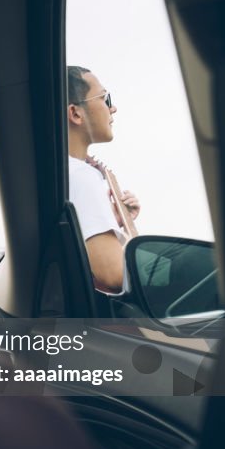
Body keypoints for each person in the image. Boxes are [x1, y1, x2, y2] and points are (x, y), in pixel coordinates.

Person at [67, 65, 140, 293]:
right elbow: (114, 277)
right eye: (104, 98)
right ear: (75, 113)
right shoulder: (81, 176)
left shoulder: (64, 174)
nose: (113, 108)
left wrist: (112, 223)